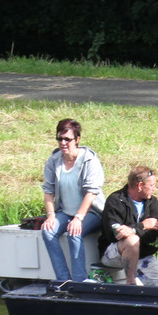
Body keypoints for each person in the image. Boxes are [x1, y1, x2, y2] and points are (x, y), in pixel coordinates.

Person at [39, 118, 105, 282]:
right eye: (59, 139)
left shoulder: (90, 160)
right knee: (48, 231)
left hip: (91, 212)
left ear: (77, 139)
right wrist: (51, 215)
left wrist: (78, 218)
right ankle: (63, 280)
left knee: (74, 232)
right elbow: (48, 190)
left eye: (67, 139)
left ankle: (79, 280)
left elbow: (91, 193)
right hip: (65, 212)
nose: (63, 143)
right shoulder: (54, 161)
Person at [98, 164, 158, 287]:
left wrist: (132, 230)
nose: (155, 189)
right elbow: (114, 234)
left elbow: (152, 235)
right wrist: (142, 226)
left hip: (141, 254)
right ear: (140, 186)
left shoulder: (153, 203)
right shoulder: (115, 200)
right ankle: (131, 283)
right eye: (152, 185)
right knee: (131, 240)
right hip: (113, 253)